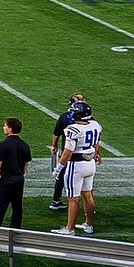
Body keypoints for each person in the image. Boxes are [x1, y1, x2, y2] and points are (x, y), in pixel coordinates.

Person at [53, 100, 101, 235]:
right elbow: (96, 142)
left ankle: (69, 228)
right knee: (88, 195)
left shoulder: (73, 129)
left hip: (76, 166)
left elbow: (68, 152)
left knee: (73, 198)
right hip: (90, 164)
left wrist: (58, 168)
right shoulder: (95, 125)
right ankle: (89, 225)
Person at [0, 117, 31, 229]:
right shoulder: (24, 144)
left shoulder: (4, 144)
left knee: (1, 205)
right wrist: (21, 173)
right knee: (17, 205)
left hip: (7, 178)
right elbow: (26, 163)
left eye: (5, 125)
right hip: (19, 179)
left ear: (10, 128)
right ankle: (16, 228)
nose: (3, 127)